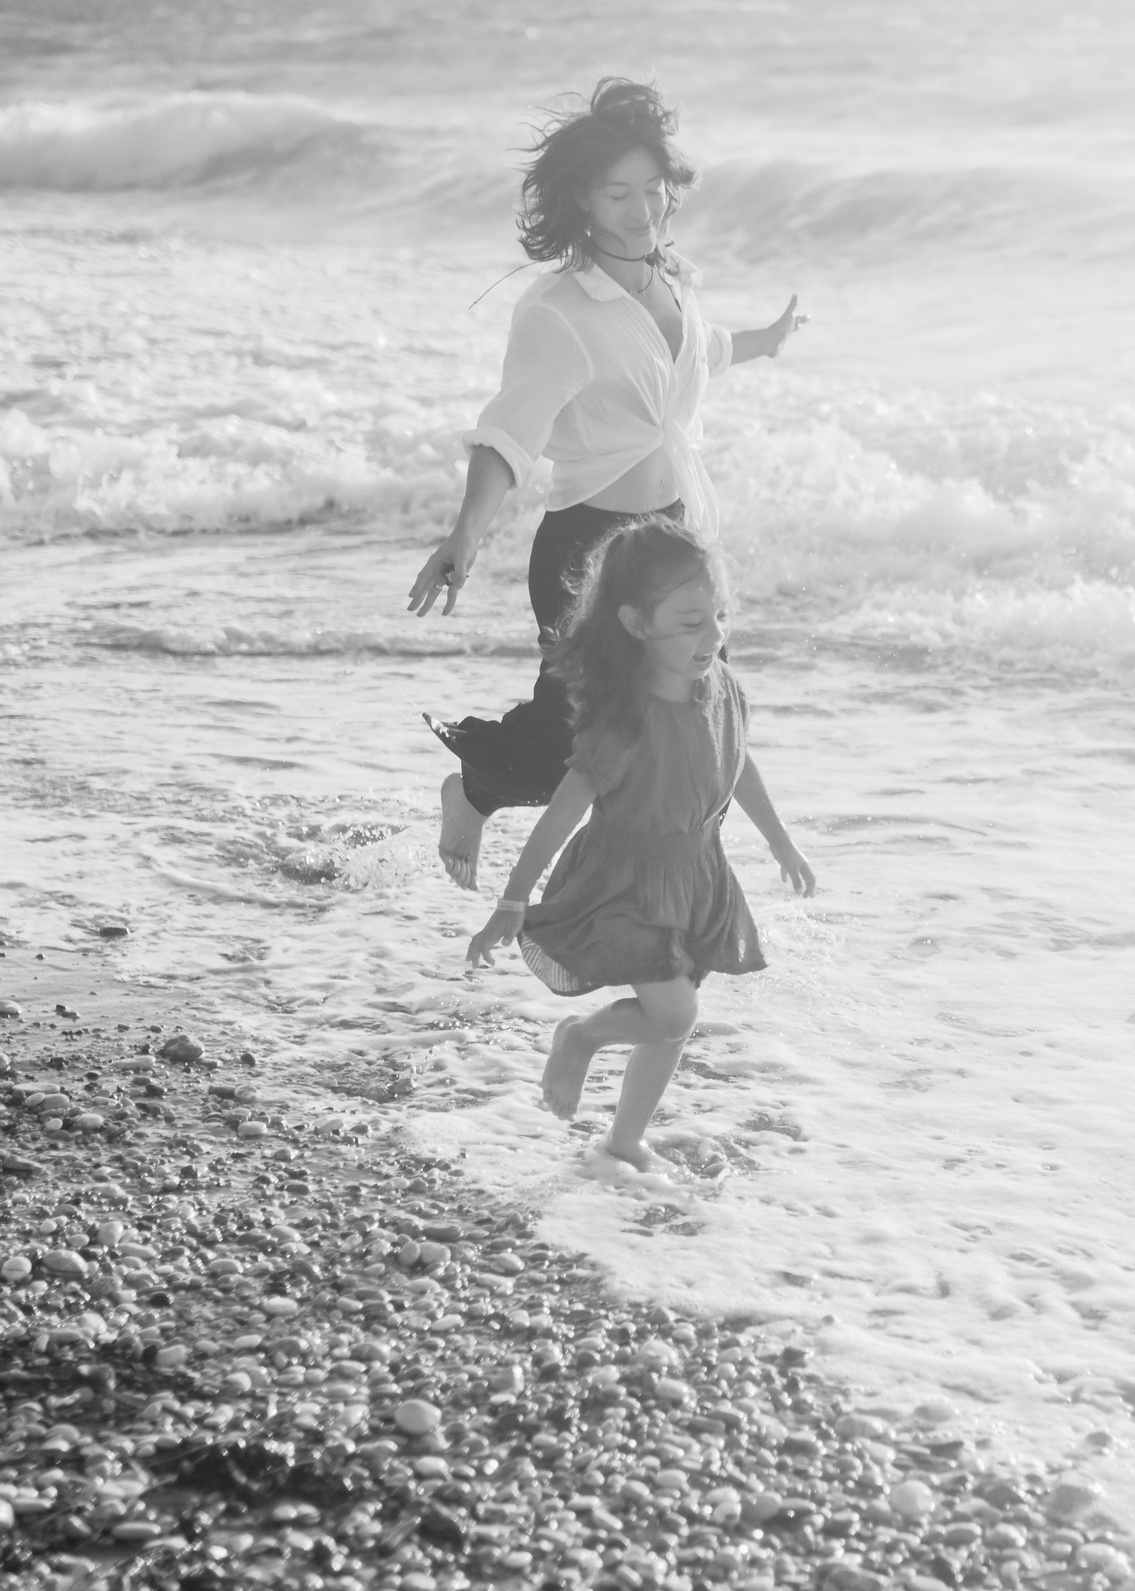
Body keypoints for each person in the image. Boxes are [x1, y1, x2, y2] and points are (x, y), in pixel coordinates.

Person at [407, 77, 805, 888]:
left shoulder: (673, 279)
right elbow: (509, 433)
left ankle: (683, 909)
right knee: (573, 752)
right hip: (586, 554)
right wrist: (465, 536)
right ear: (581, 202)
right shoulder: (557, 312)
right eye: (619, 194)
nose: (642, 210)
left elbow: (697, 352)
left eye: (654, 191)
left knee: (699, 716)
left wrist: (766, 339)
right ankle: (475, 791)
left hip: (674, 539)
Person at [464, 518, 814, 1171]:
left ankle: (625, 1138)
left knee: (671, 1022)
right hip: (623, 883)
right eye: (690, 623)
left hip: (694, 873)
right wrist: (512, 902)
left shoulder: (723, 689)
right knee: (675, 1011)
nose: (713, 635)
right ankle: (582, 1035)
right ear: (636, 623)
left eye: (720, 615)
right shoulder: (622, 724)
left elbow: (736, 763)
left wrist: (781, 844)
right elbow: (557, 819)